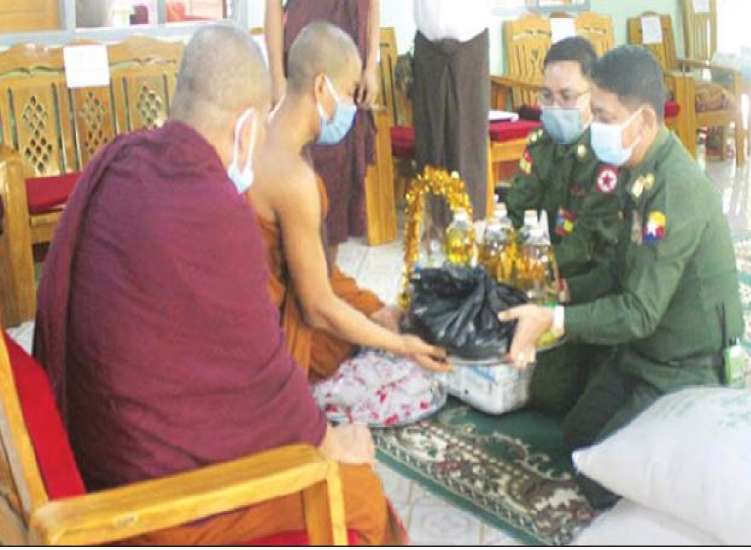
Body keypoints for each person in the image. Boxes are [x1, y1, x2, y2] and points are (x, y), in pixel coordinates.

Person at [33, 25, 403, 544]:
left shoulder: (117, 160)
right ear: (247, 128)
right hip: (153, 503)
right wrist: (329, 443)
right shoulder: (217, 212)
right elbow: (265, 383)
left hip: (94, 446)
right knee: (359, 494)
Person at [500, 45, 744, 509]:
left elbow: (638, 313)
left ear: (645, 120)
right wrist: (565, 292)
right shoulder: (640, 169)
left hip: (686, 365)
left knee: (602, 483)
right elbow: (619, 267)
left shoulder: (674, 191)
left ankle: (702, 445)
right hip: (643, 353)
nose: (595, 126)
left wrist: (556, 320)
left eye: (604, 116)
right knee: (577, 437)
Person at [248, 21, 448, 380]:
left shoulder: (257, 137)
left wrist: (374, 310)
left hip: (247, 320)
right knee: (359, 350)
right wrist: (400, 345)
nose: (353, 108)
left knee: (368, 322)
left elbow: (315, 267)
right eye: (350, 92)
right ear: (321, 86)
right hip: (264, 341)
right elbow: (317, 308)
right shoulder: (293, 177)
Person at [505, 36, 624, 415]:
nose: (555, 107)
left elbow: (587, 246)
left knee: (553, 394)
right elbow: (516, 211)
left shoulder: (606, 156)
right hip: (539, 275)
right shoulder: (541, 143)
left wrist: (531, 273)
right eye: (547, 96)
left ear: (593, 96)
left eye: (567, 96)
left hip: (586, 287)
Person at [265, 0, 379, 259]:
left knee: (338, 186)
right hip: (308, 51)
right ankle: (301, 270)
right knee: (302, 164)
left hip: (349, 56)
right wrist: (277, 78)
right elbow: (272, 6)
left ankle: (327, 270)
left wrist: (371, 66)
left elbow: (373, 5)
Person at [412, 0, 491, 220]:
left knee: (467, 139)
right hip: (428, 45)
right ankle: (432, 221)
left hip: (470, 44)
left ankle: (468, 223)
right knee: (429, 136)